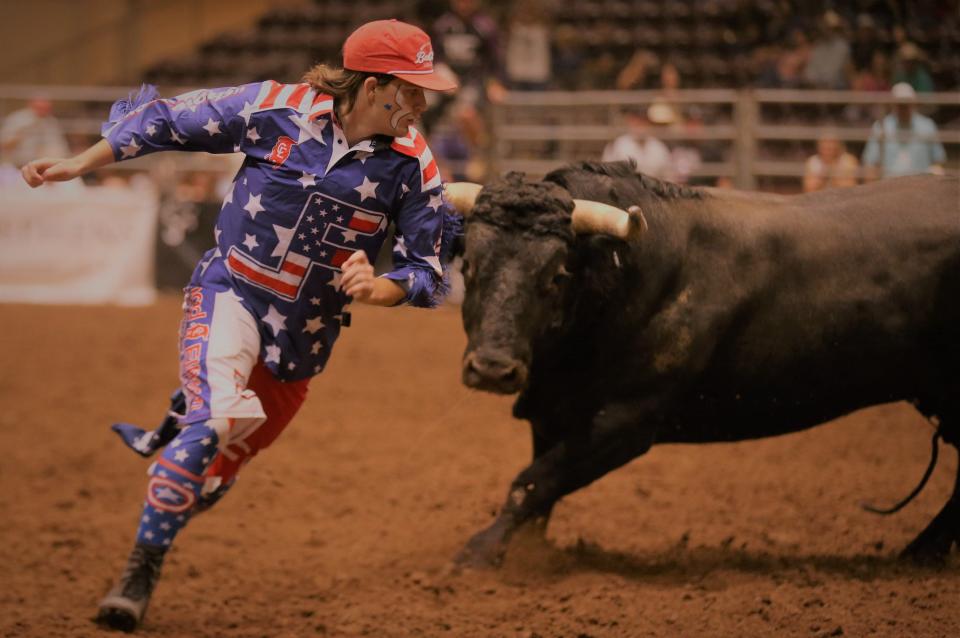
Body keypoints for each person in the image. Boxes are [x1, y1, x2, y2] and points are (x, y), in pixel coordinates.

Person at [21, 19, 459, 632]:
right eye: (410, 90)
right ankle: (139, 572)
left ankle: (190, 479)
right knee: (212, 423)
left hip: (303, 342)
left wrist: (381, 287)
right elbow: (168, 119)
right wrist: (82, 161)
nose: (419, 104)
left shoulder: (415, 168)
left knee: (213, 470)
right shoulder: (274, 108)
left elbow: (428, 271)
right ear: (371, 85)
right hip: (230, 293)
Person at [861, 82, 946, 180]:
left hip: (921, 186)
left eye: (906, 104)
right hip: (888, 186)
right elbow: (870, 164)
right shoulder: (880, 126)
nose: (903, 108)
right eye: (900, 104)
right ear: (893, 104)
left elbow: (938, 162)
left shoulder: (927, 126)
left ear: (913, 103)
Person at [601, 103, 676, 181]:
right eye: (636, 122)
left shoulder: (660, 148)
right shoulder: (617, 145)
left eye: (643, 122)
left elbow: (669, 178)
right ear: (630, 122)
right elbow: (606, 176)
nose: (640, 126)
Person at [0, 97, 70, 168]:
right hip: (15, 164)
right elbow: (4, 144)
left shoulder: (52, 122)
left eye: (46, 109)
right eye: (39, 108)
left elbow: (59, 146)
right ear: (31, 106)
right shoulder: (17, 119)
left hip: (42, 165)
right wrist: (20, 136)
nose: (43, 111)